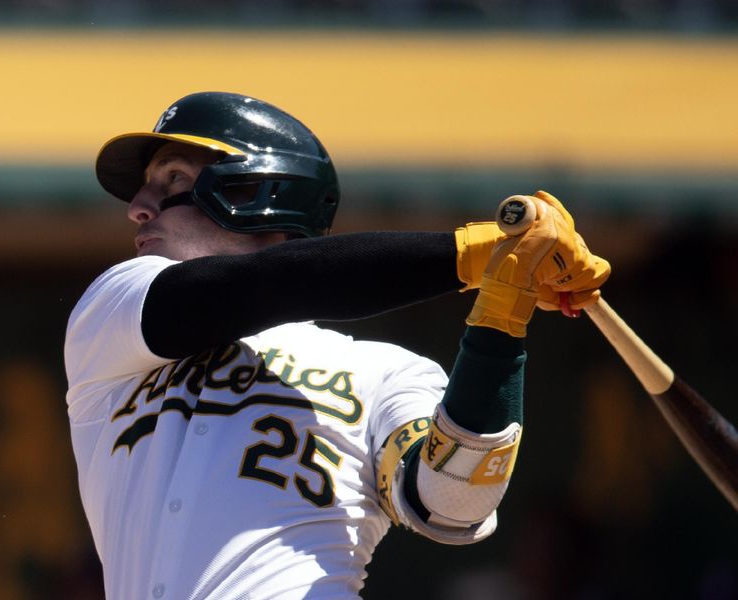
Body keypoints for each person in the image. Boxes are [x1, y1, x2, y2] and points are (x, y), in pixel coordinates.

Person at [64, 91, 610, 600]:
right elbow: (253, 286)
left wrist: (501, 315)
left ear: (254, 189)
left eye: (172, 178)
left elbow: (452, 503)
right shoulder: (115, 310)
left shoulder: (386, 372)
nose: (139, 204)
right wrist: (475, 254)